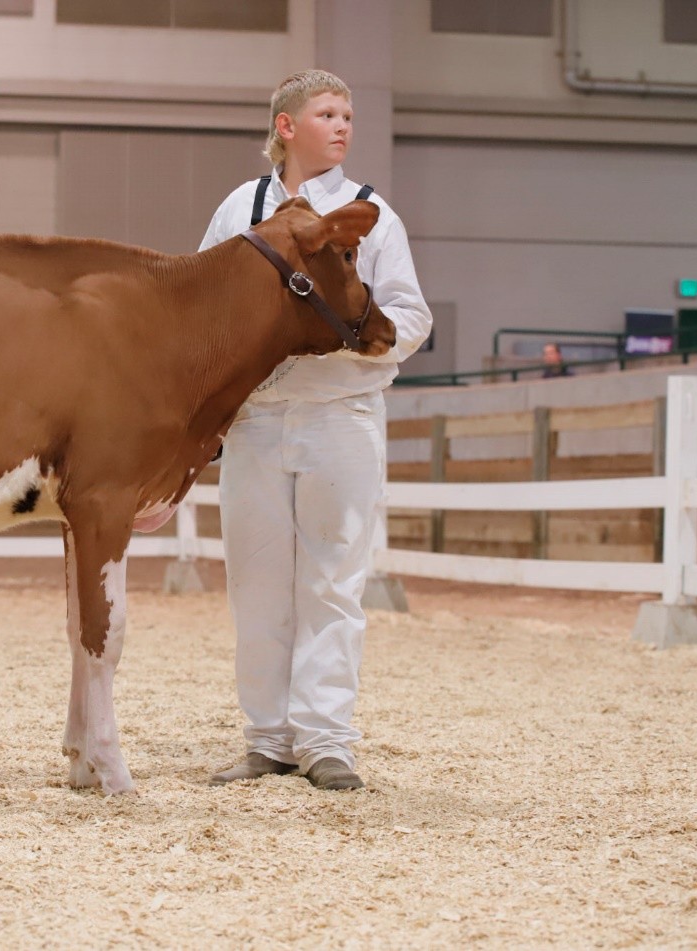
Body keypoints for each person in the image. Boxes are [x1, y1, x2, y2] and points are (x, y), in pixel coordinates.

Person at [201, 70, 433, 791]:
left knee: (333, 580)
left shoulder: (374, 214)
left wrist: (347, 341)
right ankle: (267, 737)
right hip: (259, 421)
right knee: (259, 584)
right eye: (327, 113)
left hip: (341, 415)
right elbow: (205, 304)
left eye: (348, 115)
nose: (343, 126)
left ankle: (327, 739)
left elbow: (411, 316)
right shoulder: (243, 207)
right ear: (286, 126)